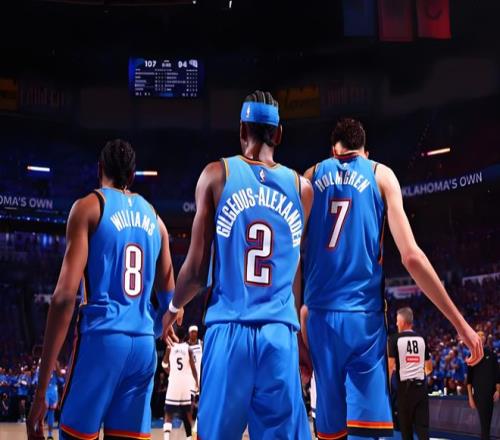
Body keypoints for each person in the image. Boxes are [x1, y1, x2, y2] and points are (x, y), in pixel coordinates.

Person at [302, 118, 484, 440]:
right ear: (366, 152)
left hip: (318, 319)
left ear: (333, 151)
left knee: (330, 432)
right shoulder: (380, 174)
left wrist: (297, 324)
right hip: (364, 319)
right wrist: (461, 325)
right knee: (369, 433)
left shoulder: (310, 177)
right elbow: (411, 257)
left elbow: (294, 255)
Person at [162, 90, 313, 439]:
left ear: (242, 130)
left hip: (230, 329)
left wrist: (172, 307)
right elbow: (294, 270)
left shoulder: (217, 175)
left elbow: (197, 271)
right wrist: (299, 338)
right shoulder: (303, 189)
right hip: (279, 334)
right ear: (279, 134)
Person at [27, 139, 179, 440]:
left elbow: (63, 298)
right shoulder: (156, 220)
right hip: (143, 347)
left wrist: (41, 390)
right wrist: (167, 324)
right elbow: (172, 301)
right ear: (132, 176)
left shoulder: (88, 207)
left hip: (102, 340)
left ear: (100, 170)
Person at [388, 307, 433, 440]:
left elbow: (390, 367)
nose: (396, 324)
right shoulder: (422, 339)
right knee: (423, 430)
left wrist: (388, 388)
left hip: (404, 390)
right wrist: (417, 371)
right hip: (421, 388)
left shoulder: (394, 339)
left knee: (406, 431)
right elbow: (429, 368)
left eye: (397, 321)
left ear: (402, 321)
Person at [162, 327, 198, 440]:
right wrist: (197, 382)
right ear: (185, 336)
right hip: (185, 384)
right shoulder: (188, 349)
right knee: (187, 413)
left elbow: (164, 365)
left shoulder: (170, 347)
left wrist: (170, 372)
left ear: (175, 335)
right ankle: (190, 438)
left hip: (174, 383)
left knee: (168, 413)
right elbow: (193, 368)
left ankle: (166, 438)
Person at [467, 331, 500, 440]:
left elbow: (497, 375)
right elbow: (469, 380)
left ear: (485, 338)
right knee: (484, 423)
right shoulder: (472, 356)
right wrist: (470, 398)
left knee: (487, 423)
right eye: (478, 335)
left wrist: (498, 390)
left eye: (483, 335)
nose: (481, 337)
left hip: (490, 394)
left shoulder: (492, 355)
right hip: (479, 394)